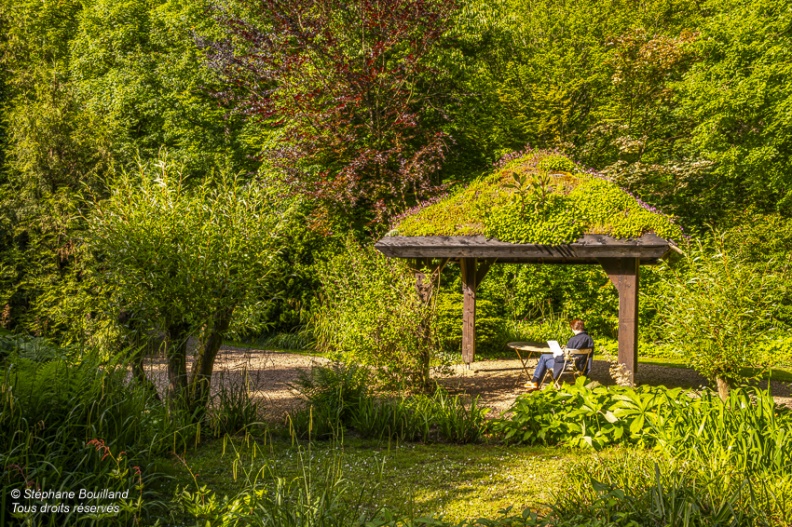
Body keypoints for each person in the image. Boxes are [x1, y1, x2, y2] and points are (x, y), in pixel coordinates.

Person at [524, 319, 594, 391]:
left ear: (574, 328)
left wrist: (556, 356)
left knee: (544, 357)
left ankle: (535, 382)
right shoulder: (589, 339)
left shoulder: (573, 340)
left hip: (567, 365)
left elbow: (564, 358)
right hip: (581, 365)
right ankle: (535, 381)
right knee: (545, 356)